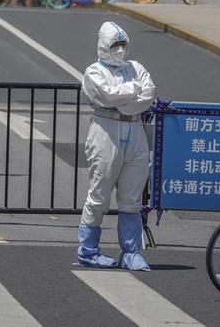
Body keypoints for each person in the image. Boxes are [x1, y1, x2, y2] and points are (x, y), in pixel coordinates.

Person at [77, 22, 156, 271]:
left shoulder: (137, 67)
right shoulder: (94, 72)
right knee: (99, 195)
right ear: (104, 45)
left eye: (123, 44)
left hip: (135, 132)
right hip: (105, 132)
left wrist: (123, 100)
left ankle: (131, 252)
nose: (120, 50)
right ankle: (88, 251)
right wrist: (132, 91)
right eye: (115, 44)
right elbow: (106, 95)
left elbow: (148, 95)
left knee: (131, 198)